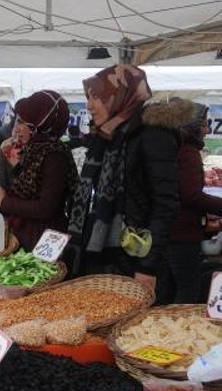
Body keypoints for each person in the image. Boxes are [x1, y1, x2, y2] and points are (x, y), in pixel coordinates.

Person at [68, 65, 179, 293]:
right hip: (108, 255)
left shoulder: (153, 135)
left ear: (118, 96)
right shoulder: (107, 135)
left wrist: (147, 266)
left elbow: (165, 205)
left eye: (96, 97)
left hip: (138, 258)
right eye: (88, 97)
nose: (89, 106)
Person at [145, 98, 222, 304]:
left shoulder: (173, 148)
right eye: (204, 124)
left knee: (166, 290)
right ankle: (181, 329)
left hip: (166, 232)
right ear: (193, 126)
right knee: (188, 289)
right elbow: (191, 195)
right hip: (182, 234)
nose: (206, 130)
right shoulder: (188, 152)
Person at [0, 90, 79, 251]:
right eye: (18, 121)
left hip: (43, 241)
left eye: (23, 122)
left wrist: (4, 201)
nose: (17, 128)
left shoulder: (55, 156)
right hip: (27, 235)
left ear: (40, 126)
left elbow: (45, 208)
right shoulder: (32, 150)